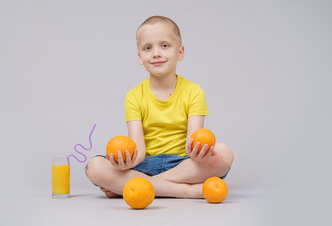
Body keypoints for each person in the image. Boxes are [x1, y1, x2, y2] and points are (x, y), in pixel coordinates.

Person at [86, 16, 234, 198]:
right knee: (94, 167)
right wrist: (125, 161)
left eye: (165, 46)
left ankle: (140, 187)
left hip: (184, 165)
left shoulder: (194, 91)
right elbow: (138, 151)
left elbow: (192, 146)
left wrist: (199, 151)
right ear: (140, 57)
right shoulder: (134, 96)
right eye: (148, 48)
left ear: (180, 52)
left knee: (224, 153)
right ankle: (187, 191)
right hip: (145, 165)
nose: (156, 53)